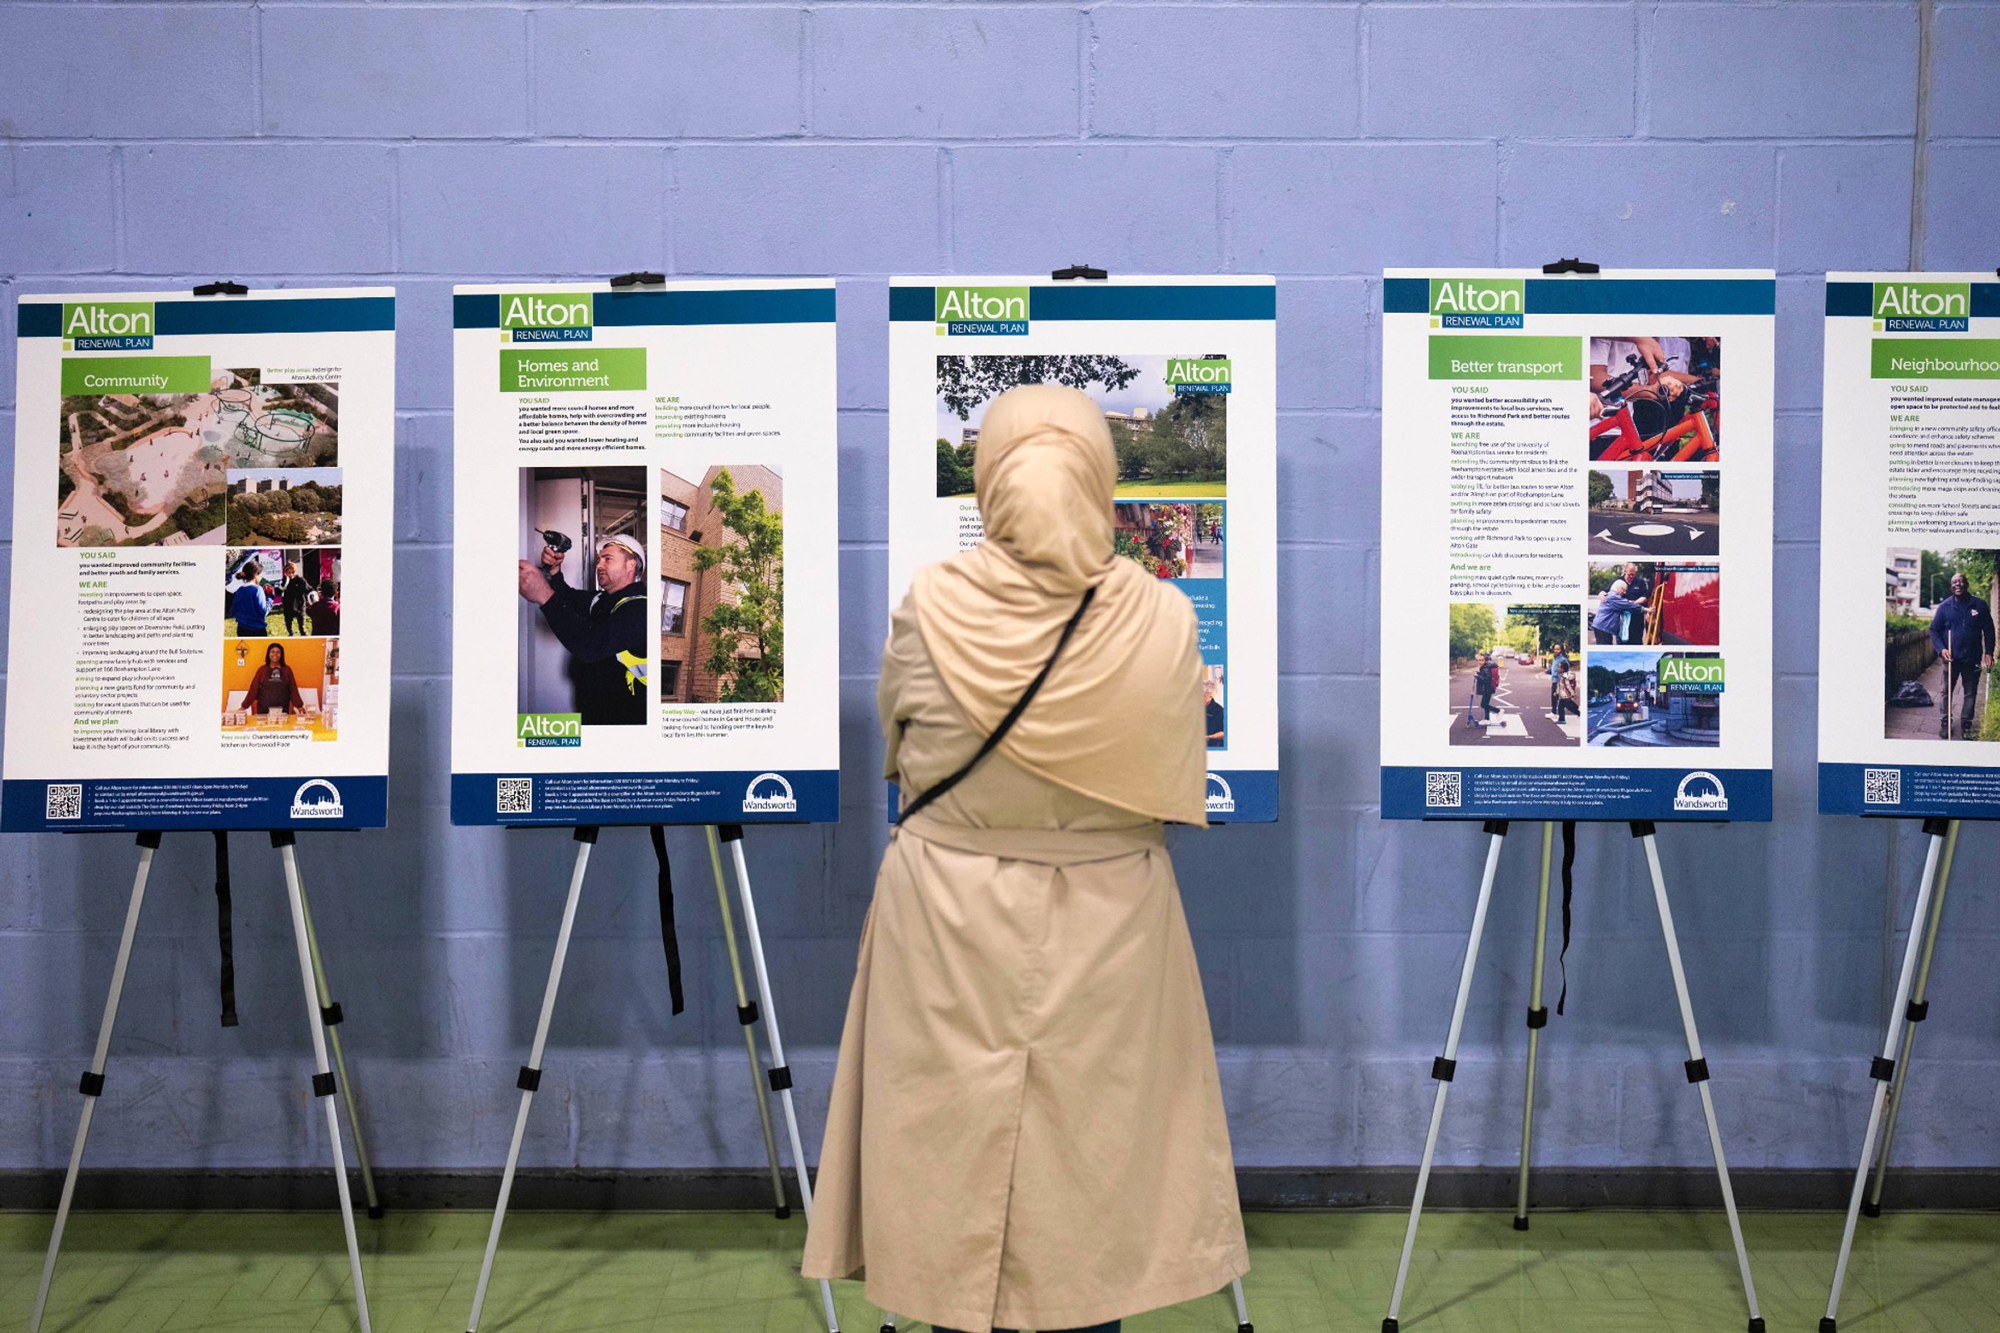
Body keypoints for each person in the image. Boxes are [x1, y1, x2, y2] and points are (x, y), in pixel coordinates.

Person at [801, 385, 1247, 1333]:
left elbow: (899, 747)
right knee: (1092, 1179)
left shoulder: (932, 603)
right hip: (1113, 928)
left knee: (944, 1164)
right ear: (1101, 475)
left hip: (945, 919)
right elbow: (1175, 765)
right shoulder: (1165, 619)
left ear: (992, 476)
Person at [517, 533, 649, 726]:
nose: (599, 565)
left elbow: (592, 646)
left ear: (631, 565)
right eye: (599, 559)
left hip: (624, 724)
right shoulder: (601, 600)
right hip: (592, 715)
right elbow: (566, 597)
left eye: (607, 559)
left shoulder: (640, 609)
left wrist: (544, 595)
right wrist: (554, 572)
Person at [1930, 571, 1995, 739]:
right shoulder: (1944, 607)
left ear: (1966, 584)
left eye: (1961, 581)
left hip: (1972, 658)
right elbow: (1934, 630)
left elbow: (1989, 630)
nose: (1957, 584)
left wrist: (1988, 652)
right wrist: (1941, 649)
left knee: (1970, 693)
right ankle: (1946, 722)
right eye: (1954, 582)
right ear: (1951, 586)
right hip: (1950, 659)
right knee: (1946, 692)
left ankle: (1966, 725)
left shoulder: (1979, 605)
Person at [246, 642, 304, 716]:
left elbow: (293, 689)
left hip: (282, 711)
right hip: (264, 711)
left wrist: (299, 706)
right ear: (268, 654)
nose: (275, 655)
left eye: (278, 652)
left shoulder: (287, 670)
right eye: (272, 652)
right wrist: (244, 706)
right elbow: (253, 689)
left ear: (281, 655)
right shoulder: (262, 670)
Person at [1592, 579, 1647, 645]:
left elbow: (1623, 603)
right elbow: (1628, 605)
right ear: (1619, 588)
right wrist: (1645, 609)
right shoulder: (1614, 597)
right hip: (1603, 627)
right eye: (1624, 590)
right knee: (1605, 648)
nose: (1624, 593)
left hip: (1601, 626)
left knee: (1606, 646)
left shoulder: (1612, 595)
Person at [230, 561, 271, 637]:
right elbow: (263, 612)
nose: (261, 577)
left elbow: (233, 611)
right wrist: (270, 598)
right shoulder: (257, 589)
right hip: (257, 630)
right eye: (260, 575)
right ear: (256, 575)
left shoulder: (239, 590)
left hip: (241, 629)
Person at [1620, 563, 1653, 644]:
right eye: (1629, 574)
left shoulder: (1640, 582)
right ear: (1625, 571)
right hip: (1623, 620)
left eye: (1633, 574)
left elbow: (1645, 596)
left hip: (1637, 619)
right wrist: (1601, 594)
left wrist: (1634, 603)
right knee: (1622, 643)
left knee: (1637, 642)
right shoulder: (1618, 581)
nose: (1631, 577)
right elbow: (1608, 593)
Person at [280, 561, 312, 636]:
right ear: (285, 572)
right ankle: (291, 634)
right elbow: (278, 591)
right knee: (289, 626)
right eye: (288, 572)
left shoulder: (301, 580)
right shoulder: (284, 581)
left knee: (302, 628)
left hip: (299, 606)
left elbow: (309, 589)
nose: (291, 574)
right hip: (288, 606)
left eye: (292, 572)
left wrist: (312, 596)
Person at [1472, 650, 1497, 723]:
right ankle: (1487, 719)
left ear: (1486, 661)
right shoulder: (1486, 667)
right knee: (1486, 704)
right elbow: (1485, 676)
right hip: (1488, 689)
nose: (1480, 662)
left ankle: (1498, 711)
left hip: (1487, 689)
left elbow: (1486, 680)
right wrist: (1479, 673)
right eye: (1479, 660)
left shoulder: (1486, 668)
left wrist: (1477, 676)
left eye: (1482, 660)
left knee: (1483, 705)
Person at [1548, 643, 1572, 720]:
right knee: (1559, 698)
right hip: (1554, 680)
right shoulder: (1555, 658)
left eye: (1558, 649)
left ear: (1561, 650)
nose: (1556, 650)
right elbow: (1554, 668)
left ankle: (1553, 712)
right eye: (1555, 649)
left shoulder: (1563, 659)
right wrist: (1549, 671)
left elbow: (1567, 670)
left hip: (1559, 681)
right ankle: (1576, 710)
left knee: (1556, 698)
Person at [1204, 674, 1225, 747]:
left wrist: (1208, 737)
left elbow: (1224, 733)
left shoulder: (1219, 710)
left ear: (1210, 694)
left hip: (1212, 745)